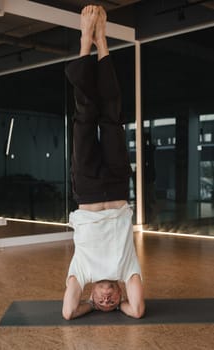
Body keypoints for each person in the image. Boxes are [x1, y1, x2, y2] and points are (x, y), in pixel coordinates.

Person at [62, 5, 145, 320]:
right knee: (112, 118)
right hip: (116, 183)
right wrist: (122, 306)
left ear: (93, 295)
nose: (108, 300)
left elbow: (69, 312)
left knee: (85, 117)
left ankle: (85, 43)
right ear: (121, 291)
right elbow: (136, 311)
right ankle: (102, 42)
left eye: (102, 301)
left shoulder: (81, 272)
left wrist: (91, 308)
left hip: (86, 189)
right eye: (113, 301)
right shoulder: (128, 269)